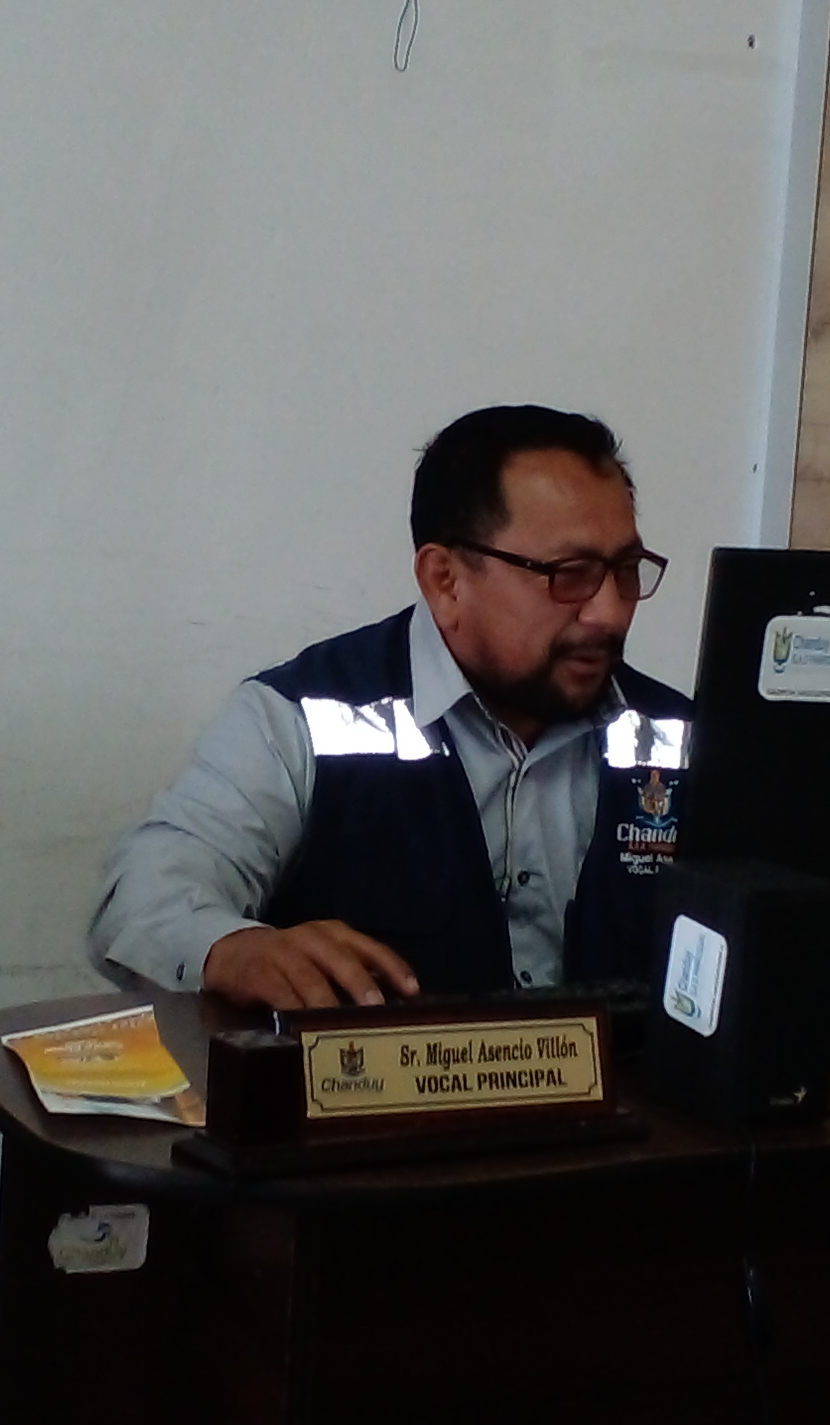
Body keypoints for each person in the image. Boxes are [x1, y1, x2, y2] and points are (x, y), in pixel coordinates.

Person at [89, 405, 693, 1009]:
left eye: (626, 570)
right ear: (445, 580)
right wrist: (233, 949)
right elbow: (143, 900)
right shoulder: (299, 719)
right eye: (571, 574)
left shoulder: (687, 739)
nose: (609, 612)